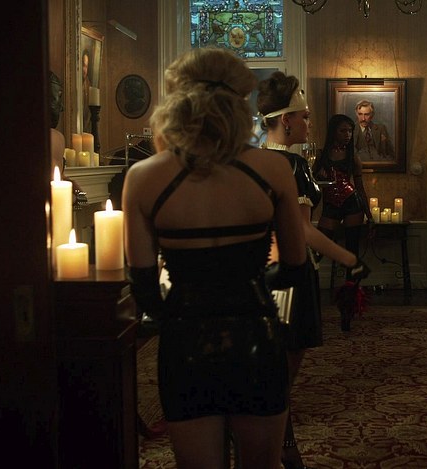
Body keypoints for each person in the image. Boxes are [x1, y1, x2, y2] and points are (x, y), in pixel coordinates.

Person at [122, 47, 307, 469]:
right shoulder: (273, 169)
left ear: (176, 103)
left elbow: (144, 289)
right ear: (240, 104)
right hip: (255, 335)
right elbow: (295, 267)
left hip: (185, 343)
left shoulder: (143, 177)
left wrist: (185, 310)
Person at [256, 71, 369, 469]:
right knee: (285, 363)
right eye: (304, 116)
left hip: (259, 274)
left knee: (269, 358)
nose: (309, 122)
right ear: (286, 120)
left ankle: (267, 437)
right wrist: (349, 259)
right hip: (290, 273)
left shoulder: (253, 159)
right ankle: (281, 442)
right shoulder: (292, 165)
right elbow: (302, 230)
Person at [313, 114, 374, 267]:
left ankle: (352, 282)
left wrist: (369, 215)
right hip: (330, 204)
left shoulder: (353, 157)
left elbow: (360, 188)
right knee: (317, 249)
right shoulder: (320, 155)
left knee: (352, 250)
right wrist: (318, 176)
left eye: (350, 131)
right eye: (343, 131)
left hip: (352, 203)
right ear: (333, 131)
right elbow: (311, 183)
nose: (347, 134)